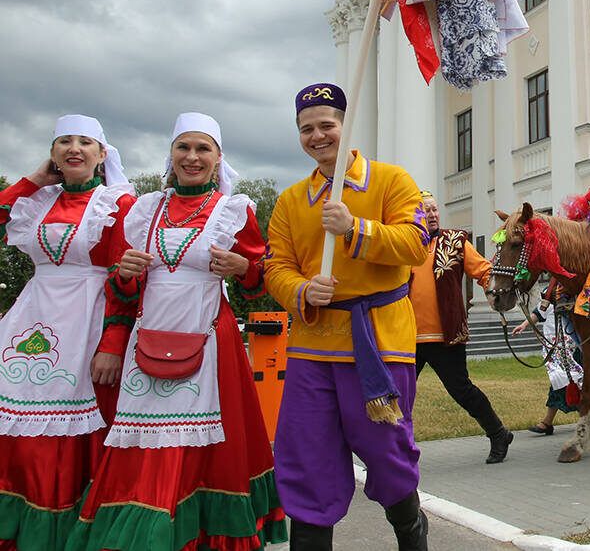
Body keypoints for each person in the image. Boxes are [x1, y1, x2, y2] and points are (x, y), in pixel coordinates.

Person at [69, 113, 285, 550]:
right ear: (171, 154)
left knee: (206, 449)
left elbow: (260, 283)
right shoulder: (143, 210)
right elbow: (122, 291)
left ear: (218, 158)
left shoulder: (234, 211)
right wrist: (125, 274)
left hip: (211, 340)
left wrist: (245, 269)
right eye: (183, 147)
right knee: (144, 442)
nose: (192, 157)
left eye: (202, 148)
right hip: (148, 336)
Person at [264, 83, 429, 550]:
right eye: (306, 129)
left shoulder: (392, 180)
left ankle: (412, 531)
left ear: (345, 126)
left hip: (379, 342)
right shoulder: (292, 200)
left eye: (326, 125)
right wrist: (301, 289)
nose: (317, 136)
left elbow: (416, 244)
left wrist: (355, 229)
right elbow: (276, 266)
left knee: (387, 452)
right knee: (306, 457)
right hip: (312, 346)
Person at [0, 116, 135, 549]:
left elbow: (123, 277)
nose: (74, 149)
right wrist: (31, 181)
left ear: (102, 155)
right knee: (16, 424)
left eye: (85, 142)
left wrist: (113, 343)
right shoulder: (36, 201)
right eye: (64, 142)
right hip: (34, 316)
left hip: (89, 319)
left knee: (80, 429)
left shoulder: (117, 203)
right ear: (53, 153)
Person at [409, 191, 512, 464]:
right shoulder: (404, 244)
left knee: (462, 390)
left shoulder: (455, 241)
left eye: (433, 209)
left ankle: (498, 432)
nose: (431, 214)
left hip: (447, 335)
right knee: (401, 396)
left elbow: (484, 270)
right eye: (424, 210)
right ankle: (399, 452)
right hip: (407, 337)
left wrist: (494, 292)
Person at [513, 289, 590, 435]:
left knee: (569, 381)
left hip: (576, 345)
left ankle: (548, 422)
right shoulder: (550, 292)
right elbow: (539, 312)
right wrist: (524, 325)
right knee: (560, 381)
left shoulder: (580, 291)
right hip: (556, 347)